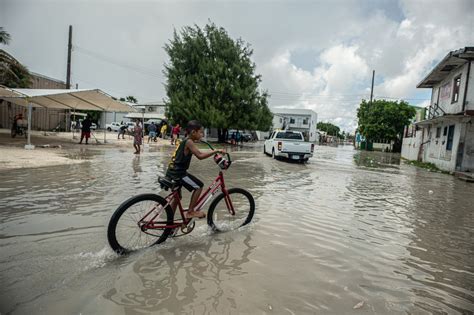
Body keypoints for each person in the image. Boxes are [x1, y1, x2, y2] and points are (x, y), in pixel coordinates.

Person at [165, 120, 224, 219]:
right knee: (199, 186)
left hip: (171, 171)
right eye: (200, 132)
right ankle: (191, 212)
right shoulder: (189, 142)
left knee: (177, 198)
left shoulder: (185, 140)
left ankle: (169, 222)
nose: (202, 134)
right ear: (193, 132)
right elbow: (200, 156)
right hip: (179, 173)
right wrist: (216, 151)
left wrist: (197, 141)